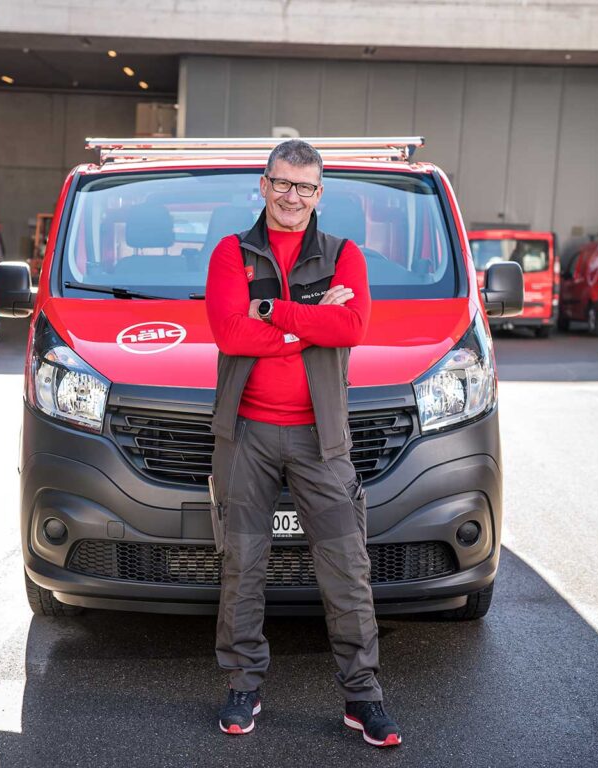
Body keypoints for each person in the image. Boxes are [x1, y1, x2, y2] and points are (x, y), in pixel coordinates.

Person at [204, 139, 401, 747]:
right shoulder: (231, 253)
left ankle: (362, 696)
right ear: (262, 185)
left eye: (305, 187)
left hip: (323, 439)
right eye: (282, 184)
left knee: (346, 569)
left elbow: (352, 326)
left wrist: (272, 311)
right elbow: (229, 333)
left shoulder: (345, 256)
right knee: (243, 567)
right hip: (246, 435)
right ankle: (242, 685)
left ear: (321, 193)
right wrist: (305, 319)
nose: (292, 197)